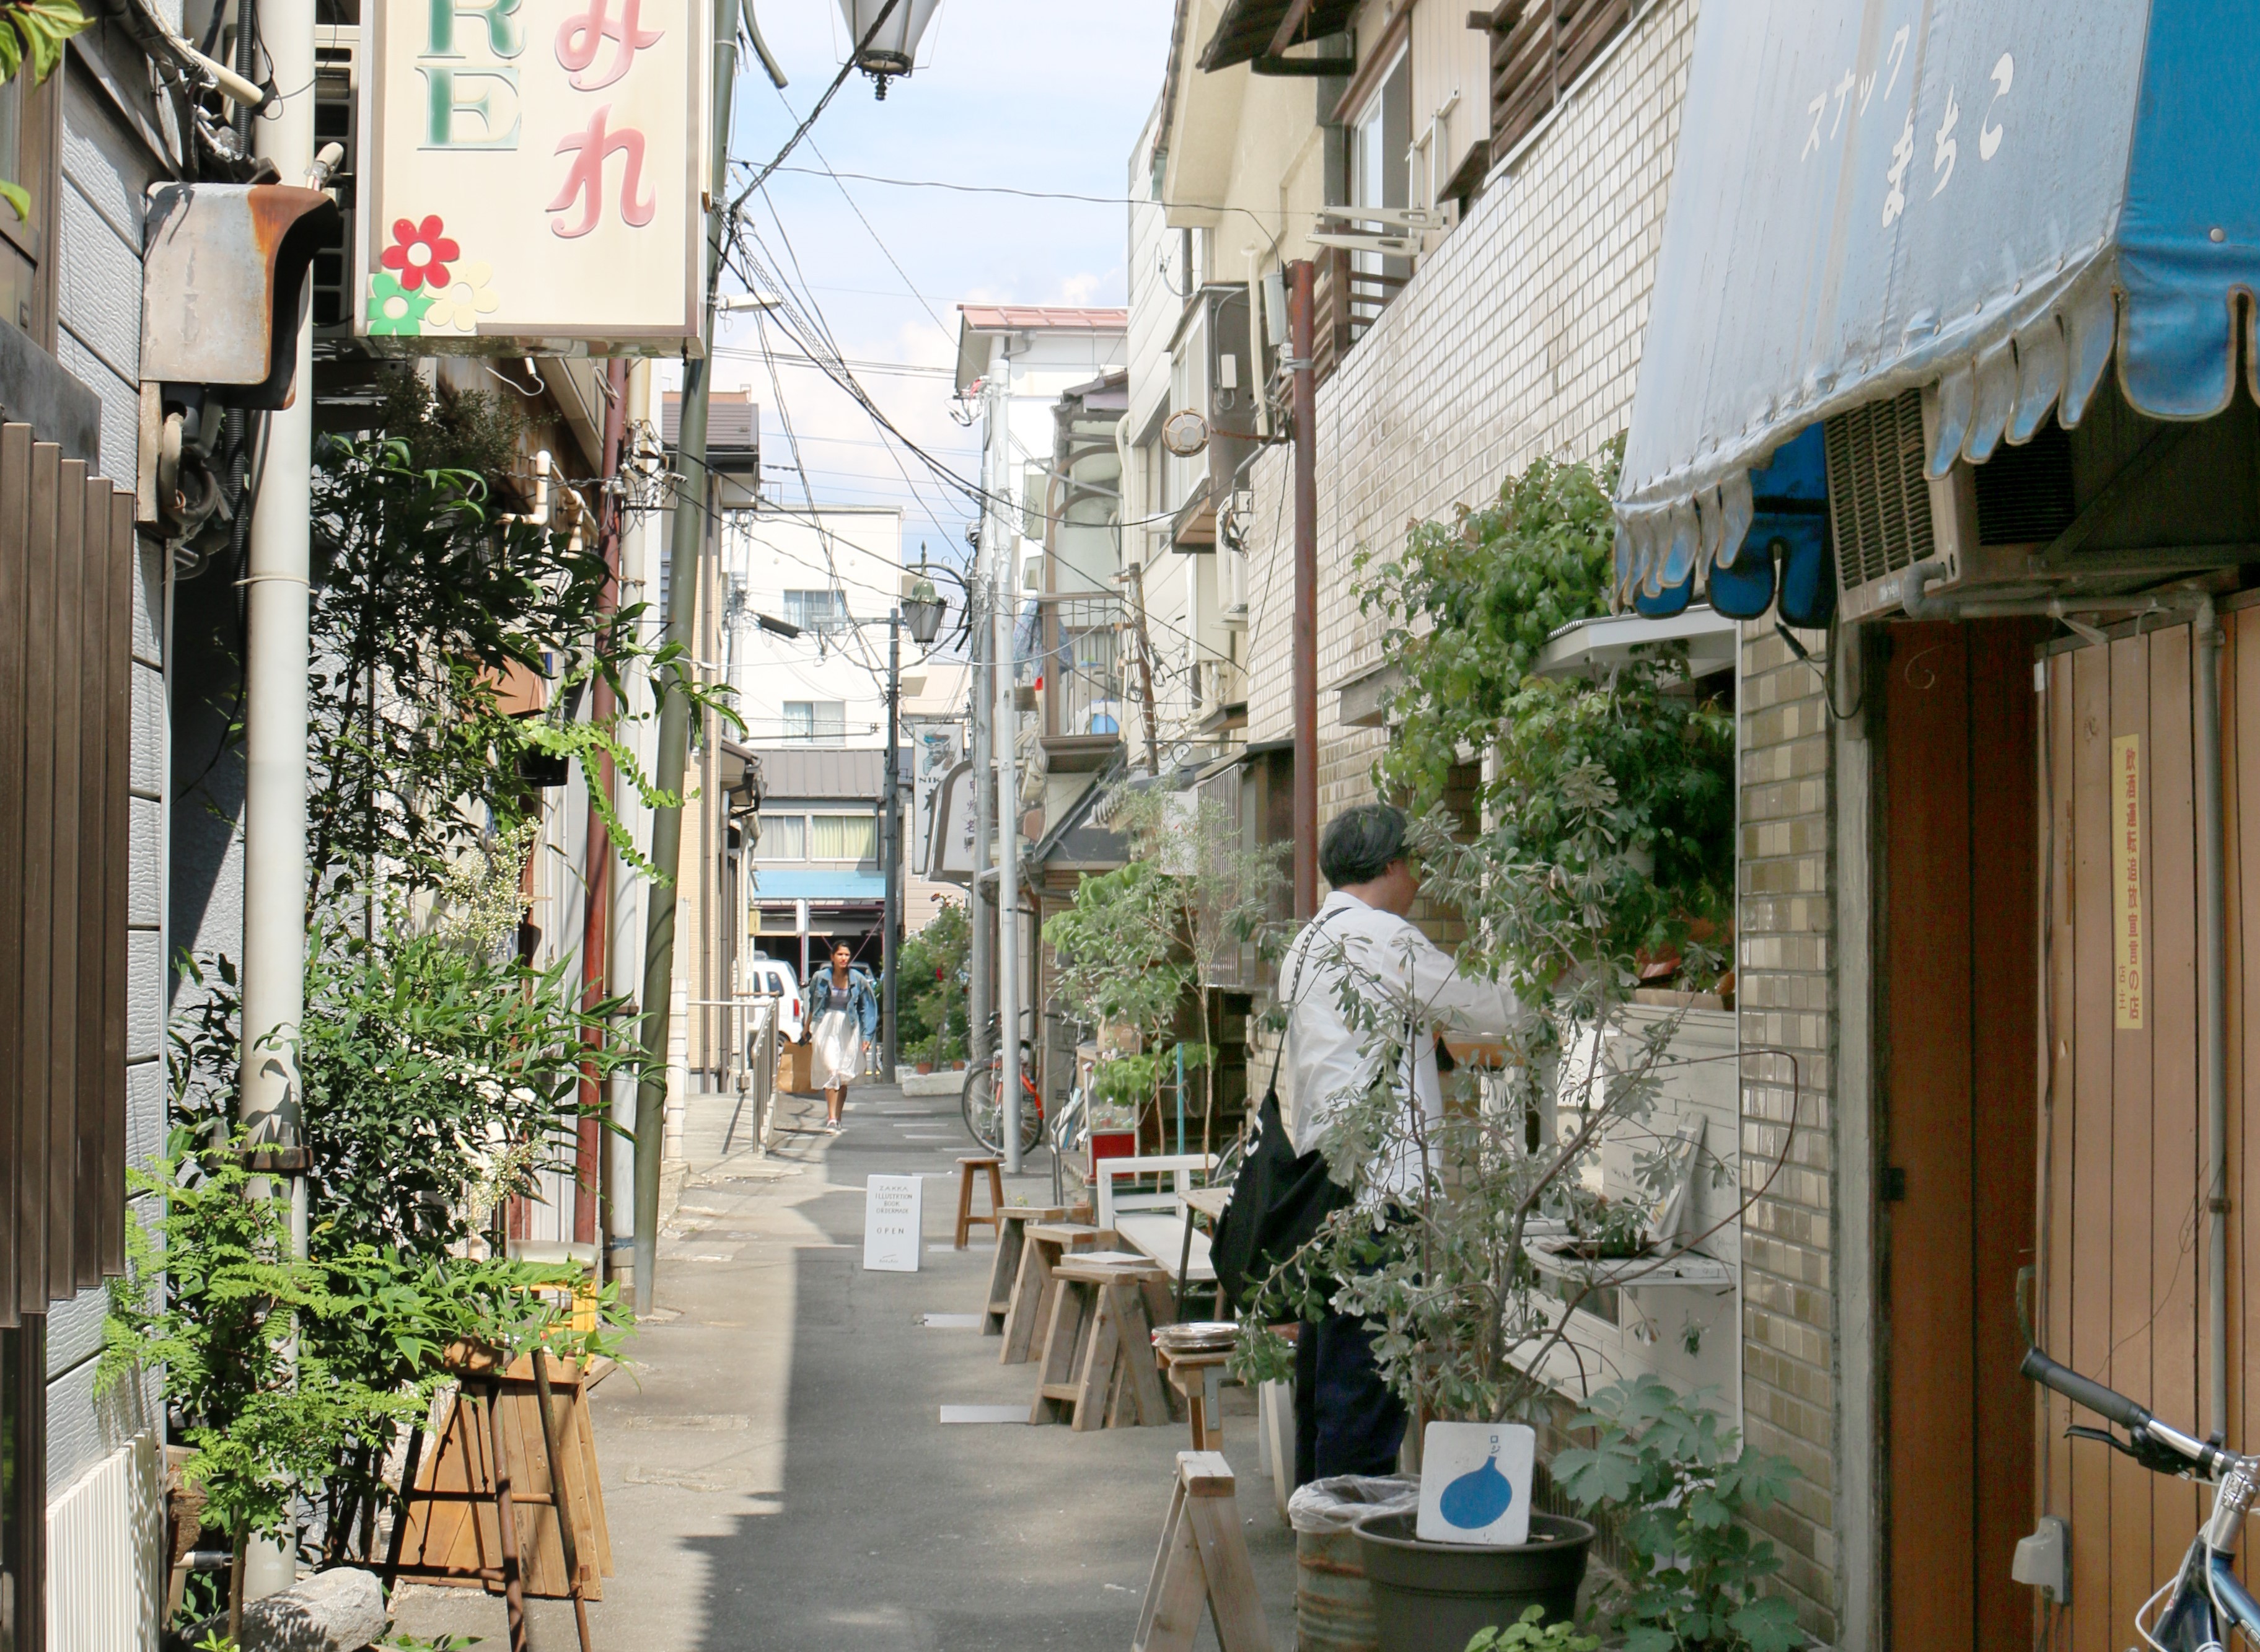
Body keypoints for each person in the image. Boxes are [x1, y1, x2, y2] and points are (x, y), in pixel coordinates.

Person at [1277, 802, 1514, 1484]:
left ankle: (1316, 1534)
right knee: (1366, 1381)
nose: (1418, 880)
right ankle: (1351, 1549)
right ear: (1390, 865)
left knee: (1324, 1375)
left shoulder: (1308, 942)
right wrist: (1548, 1000)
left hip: (1323, 1182)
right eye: (1413, 863)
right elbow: (1487, 1006)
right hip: (1383, 1188)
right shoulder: (1384, 937)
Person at [807, 941, 879, 1133]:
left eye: (847, 955)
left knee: (842, 1075)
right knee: (832, 1070)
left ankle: (838, 1117)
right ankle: (831, 1118)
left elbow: (868, 1007)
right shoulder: (821, 977)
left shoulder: (858, 979)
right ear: (832, 957)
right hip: (826, 1026)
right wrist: (807, 1029)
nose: (844, 958)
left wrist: (867, 1035)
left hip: (848, 1027)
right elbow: (813, 1003)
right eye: (840, 954)